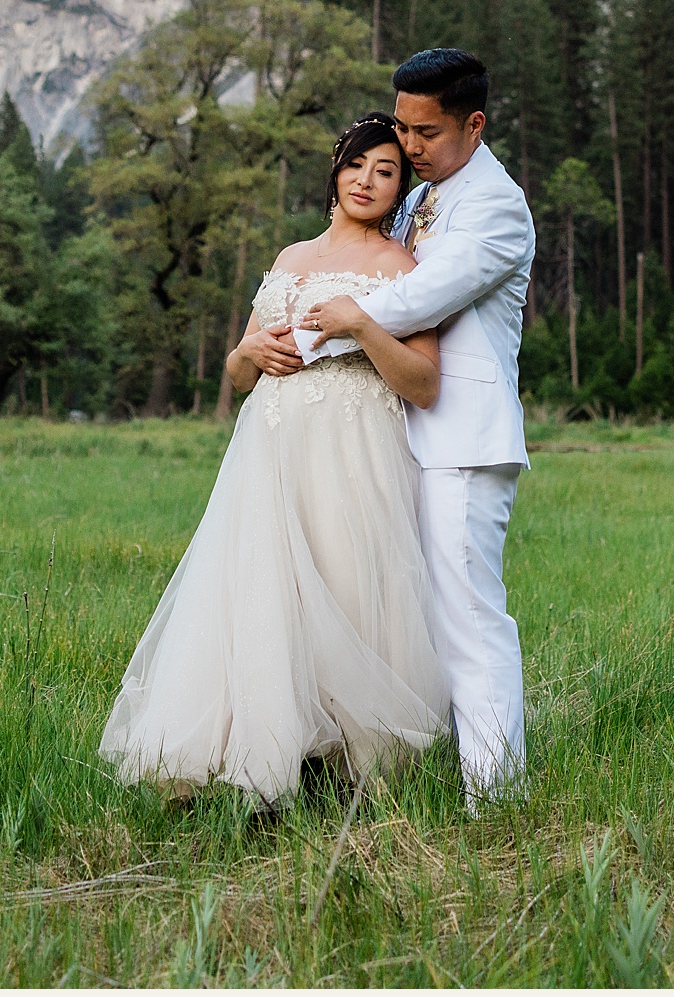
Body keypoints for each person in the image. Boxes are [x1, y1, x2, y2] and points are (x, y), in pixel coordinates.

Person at [99, 113, 452, 805]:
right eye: (358, 164)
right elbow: (238, 372)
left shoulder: (403, 267)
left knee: (349, 585)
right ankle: (253, 753)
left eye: (387, 171)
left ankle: (353, 763)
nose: (368, 180)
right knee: (263, 589)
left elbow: (424, 381)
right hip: (271, 446)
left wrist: (360, 323)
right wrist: (246, 353)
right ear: (336, 169)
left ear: (399, 188)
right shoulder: (292, 258)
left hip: (354, 446)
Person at [300, 47, 536, 806]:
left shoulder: (495, 204)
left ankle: (494, 799)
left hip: (464, 441)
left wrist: (312, 331)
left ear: (474, 123)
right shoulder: (427, 190)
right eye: (400, 126)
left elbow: (420, 295)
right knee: (420, 619)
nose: (407, 146)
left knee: (468, 618)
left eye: (425, 131)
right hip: (406, 436)